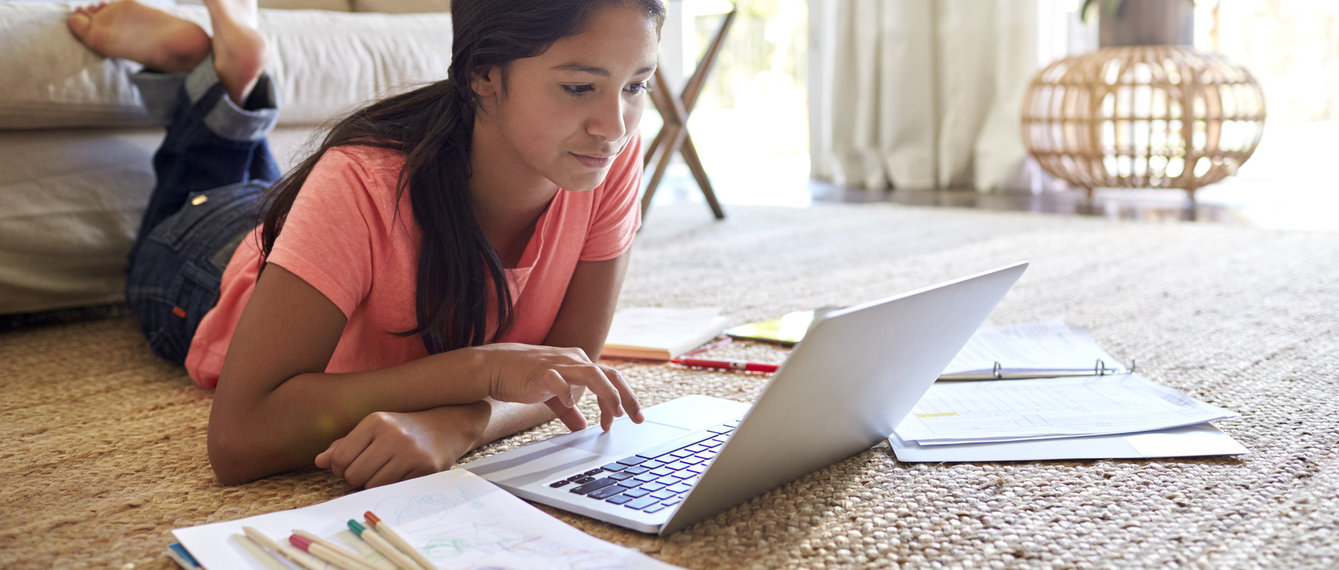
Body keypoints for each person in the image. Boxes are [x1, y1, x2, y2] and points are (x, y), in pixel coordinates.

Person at [68, 0, 664, 488]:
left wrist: (461, 423)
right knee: (206, 197)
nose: (614, 125)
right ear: (484, 73)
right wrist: (476, 370)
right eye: (580, 87)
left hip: (305, 221)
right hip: (206, 262)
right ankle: (218, 78)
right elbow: (239, 440)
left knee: (258, 183)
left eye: (636, 85)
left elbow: (570, 370)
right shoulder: (361, 179)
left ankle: (226, 78)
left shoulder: (608, 154)